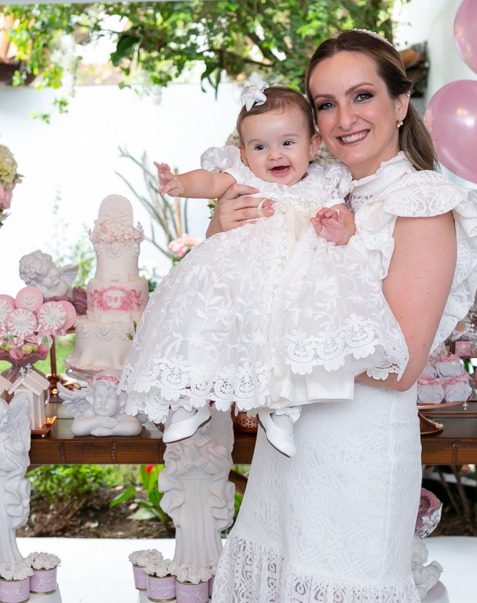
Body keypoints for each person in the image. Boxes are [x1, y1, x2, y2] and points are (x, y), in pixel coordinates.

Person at [200, 29, 477, 603]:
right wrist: (226, 235)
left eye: (362, 96)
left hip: (358, 460)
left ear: (401, 103)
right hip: (289, 454)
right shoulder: (316, 192)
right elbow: (234, 308)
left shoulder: (420, 203)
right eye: (325, 104)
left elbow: (397, 365)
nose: (343, 118)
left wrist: (278, 350)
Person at [122, 85, 408, 457]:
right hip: (245, 274)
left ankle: (282, 411)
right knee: (208, 320)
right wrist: (179, 184)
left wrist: (339, 227)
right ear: (243, 154)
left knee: (291, 334)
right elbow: (210, 182)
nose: (274, 154)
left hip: (297, 278)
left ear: (313, 146)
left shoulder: (324, 183)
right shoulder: (244, 178)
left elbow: (346, 221)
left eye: (287, 143)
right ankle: (189, 401)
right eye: (260, 147)